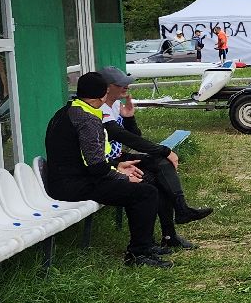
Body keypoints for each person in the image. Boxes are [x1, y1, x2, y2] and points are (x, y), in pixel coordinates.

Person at [40, 72, 171, 268]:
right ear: (102, 96)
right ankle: (138, 254)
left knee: (145, 184)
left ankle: (146, 245)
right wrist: (121, 177)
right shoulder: (86, 119)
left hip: (68, 180)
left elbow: (87, 160)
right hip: (72, 186)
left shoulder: (69, 110)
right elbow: (95, 166)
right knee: (145, 192)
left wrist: (117, 167)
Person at [96, 66, 214, 250]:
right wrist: (164, 150)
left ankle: (177, 218)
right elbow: (122, 136)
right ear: (106, 87)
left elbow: (134, 134)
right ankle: (161, 235)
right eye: (121, 83)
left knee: (162, 165)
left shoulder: (116, 105)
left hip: (119, 155)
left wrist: (129, 117)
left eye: (127, 82)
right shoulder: (100, 108)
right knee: (155, 179)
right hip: (107, 161)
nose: (127, 86)